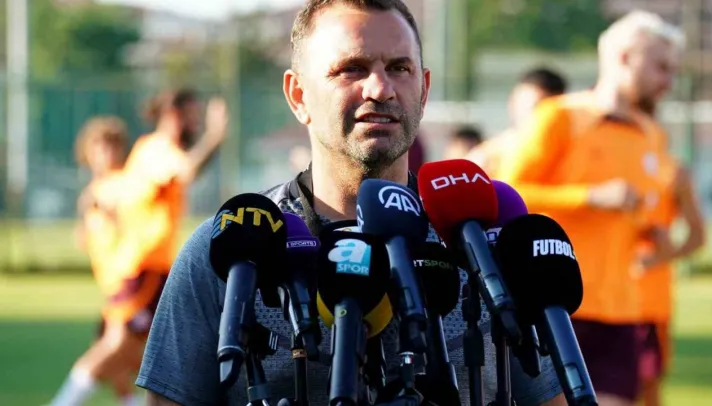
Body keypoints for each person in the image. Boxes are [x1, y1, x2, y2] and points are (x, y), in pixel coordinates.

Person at [136, 1, 565, 405]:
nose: (380, 88)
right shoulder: (227, 253)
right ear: (298, 95)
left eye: (399, 68)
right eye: (351, 69)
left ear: (424, 90)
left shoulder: (487, 248)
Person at [498, 10, 685, 406]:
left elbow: (632, 216)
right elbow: (509, 196)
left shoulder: (653, 135)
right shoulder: (560, 117)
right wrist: (590, 196)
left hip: (622, 312)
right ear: (625, 58)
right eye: (661, 67)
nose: (669, 81)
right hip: (557, 304)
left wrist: (651, 235)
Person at [48, 90, 228, 406]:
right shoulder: (160, 150)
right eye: (192, 115)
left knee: (142, 354)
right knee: (126, 349)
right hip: (144, 268)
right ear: (173, 114)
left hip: (142, 270)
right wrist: (215, 136)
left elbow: (120, 197)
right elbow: (187, 170)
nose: (196, 123)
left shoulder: (141, 157)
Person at [48, 116, 143, 406]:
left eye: (112, 146)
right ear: (87, 152)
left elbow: (135, 218)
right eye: (99, 147)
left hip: (133, 281)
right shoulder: (94, 189)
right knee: (122, 352)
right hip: (113, 285)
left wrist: (107, 211)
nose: (106, 154)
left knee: (114, 348)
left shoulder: (122, 183)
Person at [634, 91, 706, 406]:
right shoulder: (599, 163)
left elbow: (697, 236)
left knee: (647, 384)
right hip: (598, 296)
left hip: (648, 300)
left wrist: (659, 257)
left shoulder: (672, 171)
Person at [466, 67, 566, 177]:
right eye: (532, 107)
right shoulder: (487, 158)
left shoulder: (571, 156)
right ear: (512, 102)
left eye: (546, 111)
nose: (541, 118)